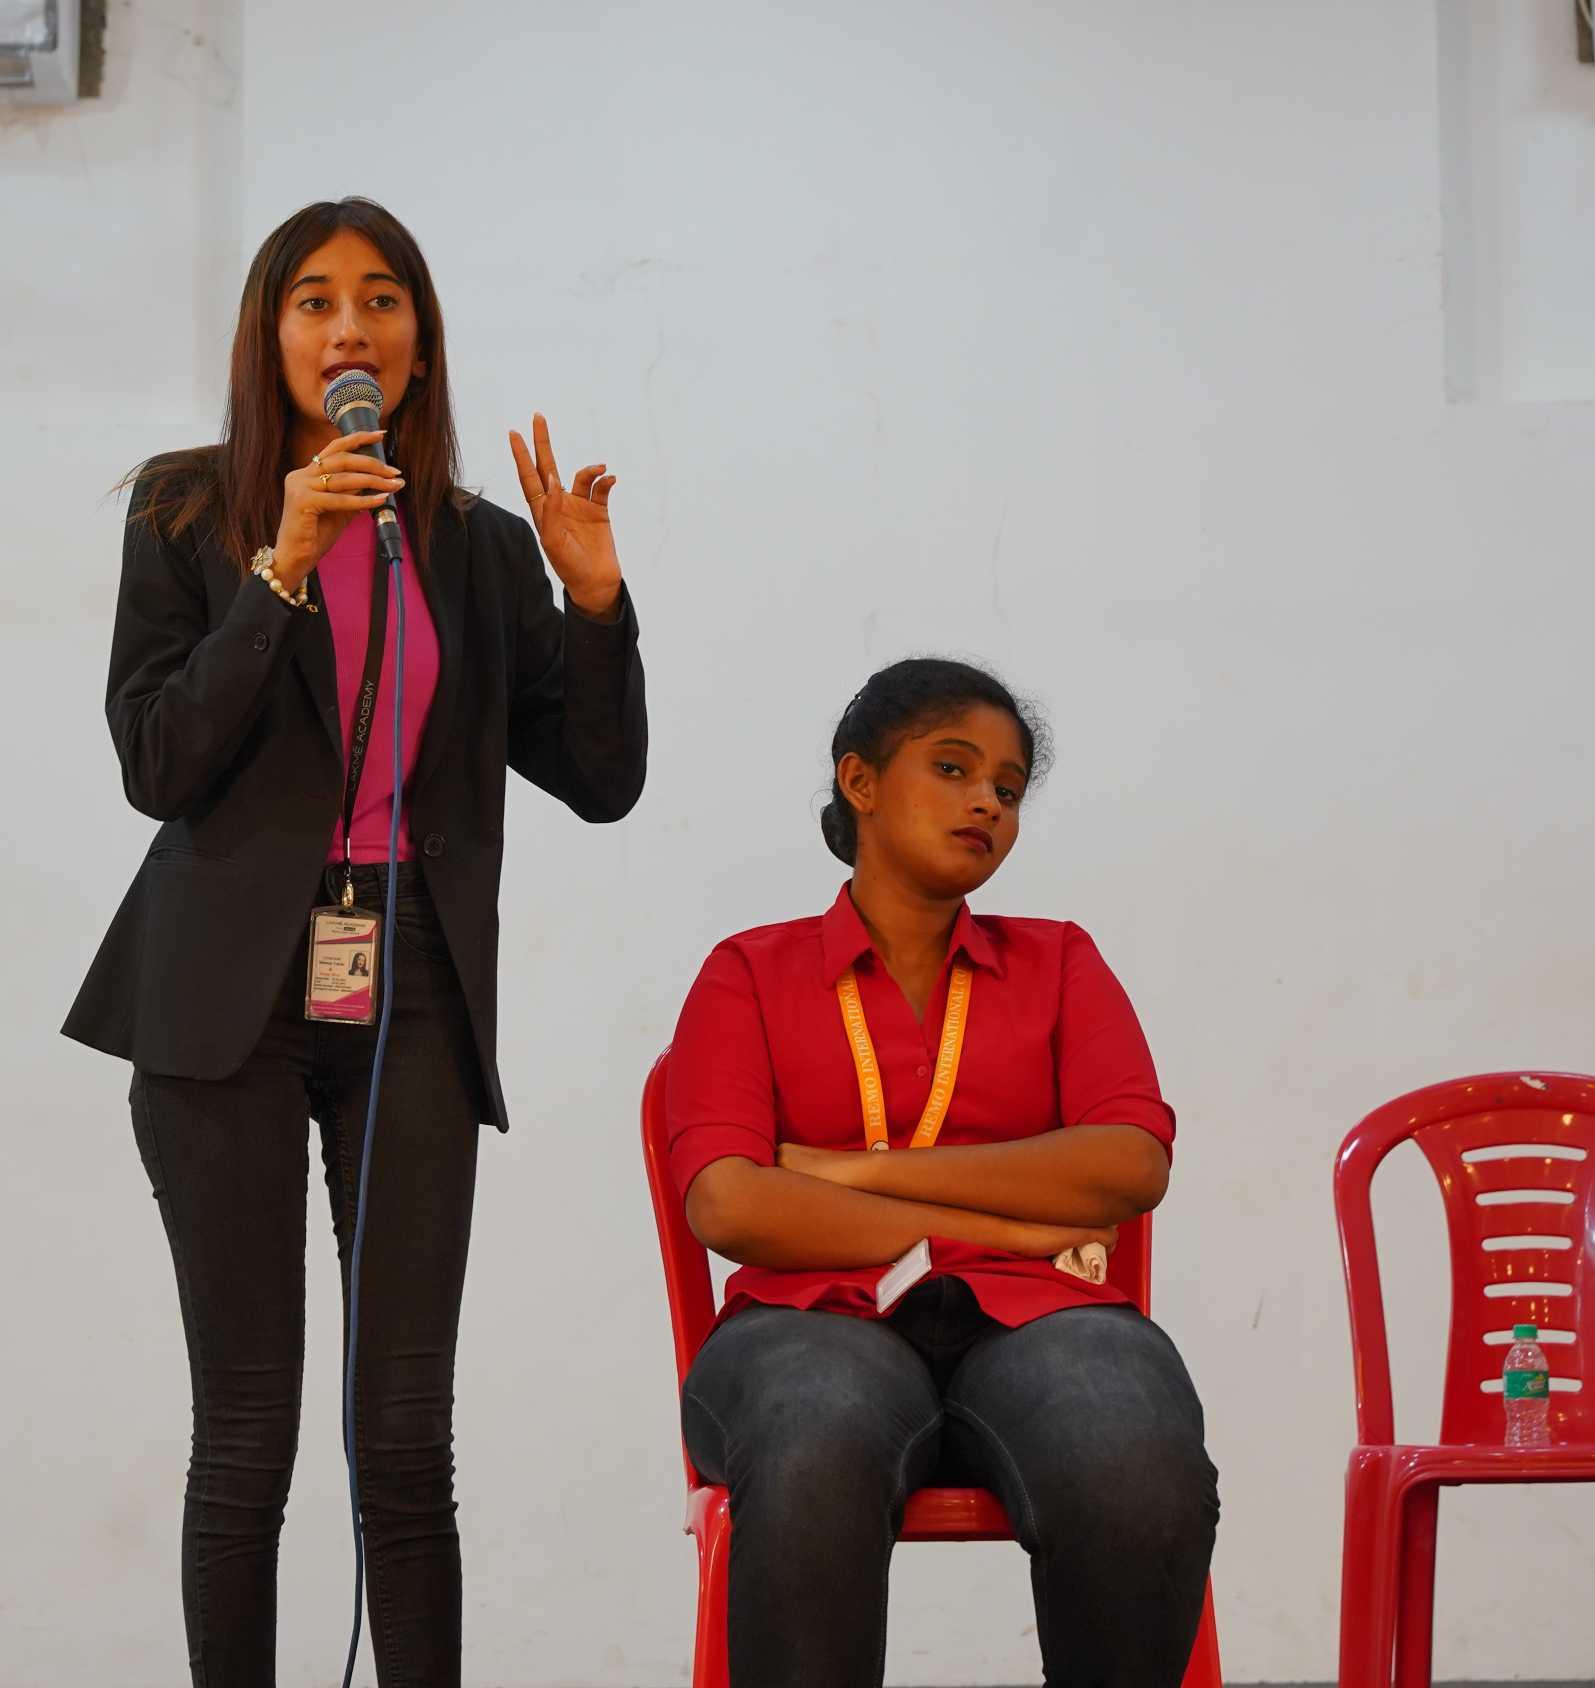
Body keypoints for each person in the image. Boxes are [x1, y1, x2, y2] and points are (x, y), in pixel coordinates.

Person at [61, 197, 648, 1683]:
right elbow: (159, 761)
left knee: (404, 1440)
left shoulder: (472, 546)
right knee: (247, 1434)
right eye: (316, 301)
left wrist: (593, 606)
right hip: (220, 1012)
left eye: (383, 300)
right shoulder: (186, 515)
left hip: (417, 994)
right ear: (274, 340)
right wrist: (278, 569)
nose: (351, 328)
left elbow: (602, 780)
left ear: (419, 343)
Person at [658, 658, 1217, 1686]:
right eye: (953, 767)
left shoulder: (1061, 962)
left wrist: (852, 1173)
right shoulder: (750, 970)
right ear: (860, 780)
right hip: (812, 1316)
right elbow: (732, 1199)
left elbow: (1130, 1161)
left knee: (1128, 1444)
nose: (985, 803)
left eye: (1007, 789)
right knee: (815, 1429)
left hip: (1042, 1319)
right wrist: (1012, 1219)